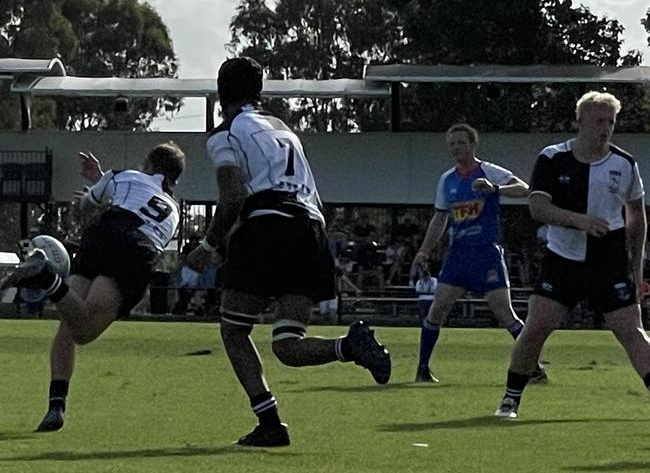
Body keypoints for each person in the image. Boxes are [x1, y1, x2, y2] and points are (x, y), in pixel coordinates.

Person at [185, 56, 390, 448]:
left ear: (220, 92)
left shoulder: (225, 132)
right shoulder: (283, 129)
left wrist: (208, 246)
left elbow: (232, 196)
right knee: (286, 345)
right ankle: (349, 347)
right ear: (259, 92)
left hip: (269, 226)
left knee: (233, 329)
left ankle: (270, 423)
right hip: (311, 229)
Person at [1, 142, 185, 431]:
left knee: (70, 320)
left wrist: (95, 185)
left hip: (102, 235)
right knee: (83, 331)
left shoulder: (123, 175)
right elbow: (141, 212)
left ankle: (56, 406)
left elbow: (87, 205)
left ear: (148, 164)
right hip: (136, 248)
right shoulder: (174, 210)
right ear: (174, 178)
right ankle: (46, 276)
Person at [495, 91, 650, 419]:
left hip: (608, 263)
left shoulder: (624, 164)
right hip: (563, 260)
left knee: (632, 333)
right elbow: (537, 207)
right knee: (536, 328)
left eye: (610, 121)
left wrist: (637, 271)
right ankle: (510, 399)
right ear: (580, 122)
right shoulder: (553, 158)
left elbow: (637, 219)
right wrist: (577, 221)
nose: (605, 128)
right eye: (598, 121)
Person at [412, 123, 546, 383]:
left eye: (460, 143)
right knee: (437, 310)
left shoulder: (489, 172)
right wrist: (424, 250)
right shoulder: (447, 179)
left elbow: (525, 189)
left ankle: (534, 368)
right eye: (452, 144)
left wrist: (496, 189)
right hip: (459, 255)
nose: (456, 149)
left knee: (506, 315)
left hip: (486, 253)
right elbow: (440, 218)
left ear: (473, 144)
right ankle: (422, 369)